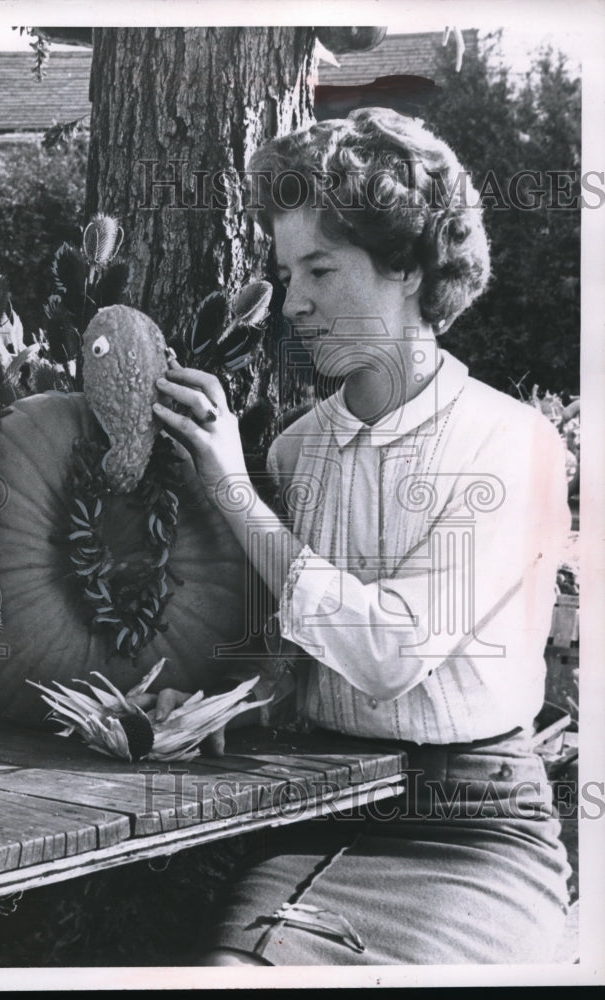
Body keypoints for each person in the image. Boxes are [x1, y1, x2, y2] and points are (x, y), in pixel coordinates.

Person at [151, 107, 572, 966]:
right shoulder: (297, 448)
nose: (292, 302)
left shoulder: (512, 445)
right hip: (318, 813)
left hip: (475, 836)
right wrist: (215, 706)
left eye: (319, 269)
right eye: (284, 271)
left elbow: (388, 655)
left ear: (408, 268)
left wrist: (232, 490)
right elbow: (296, 660)